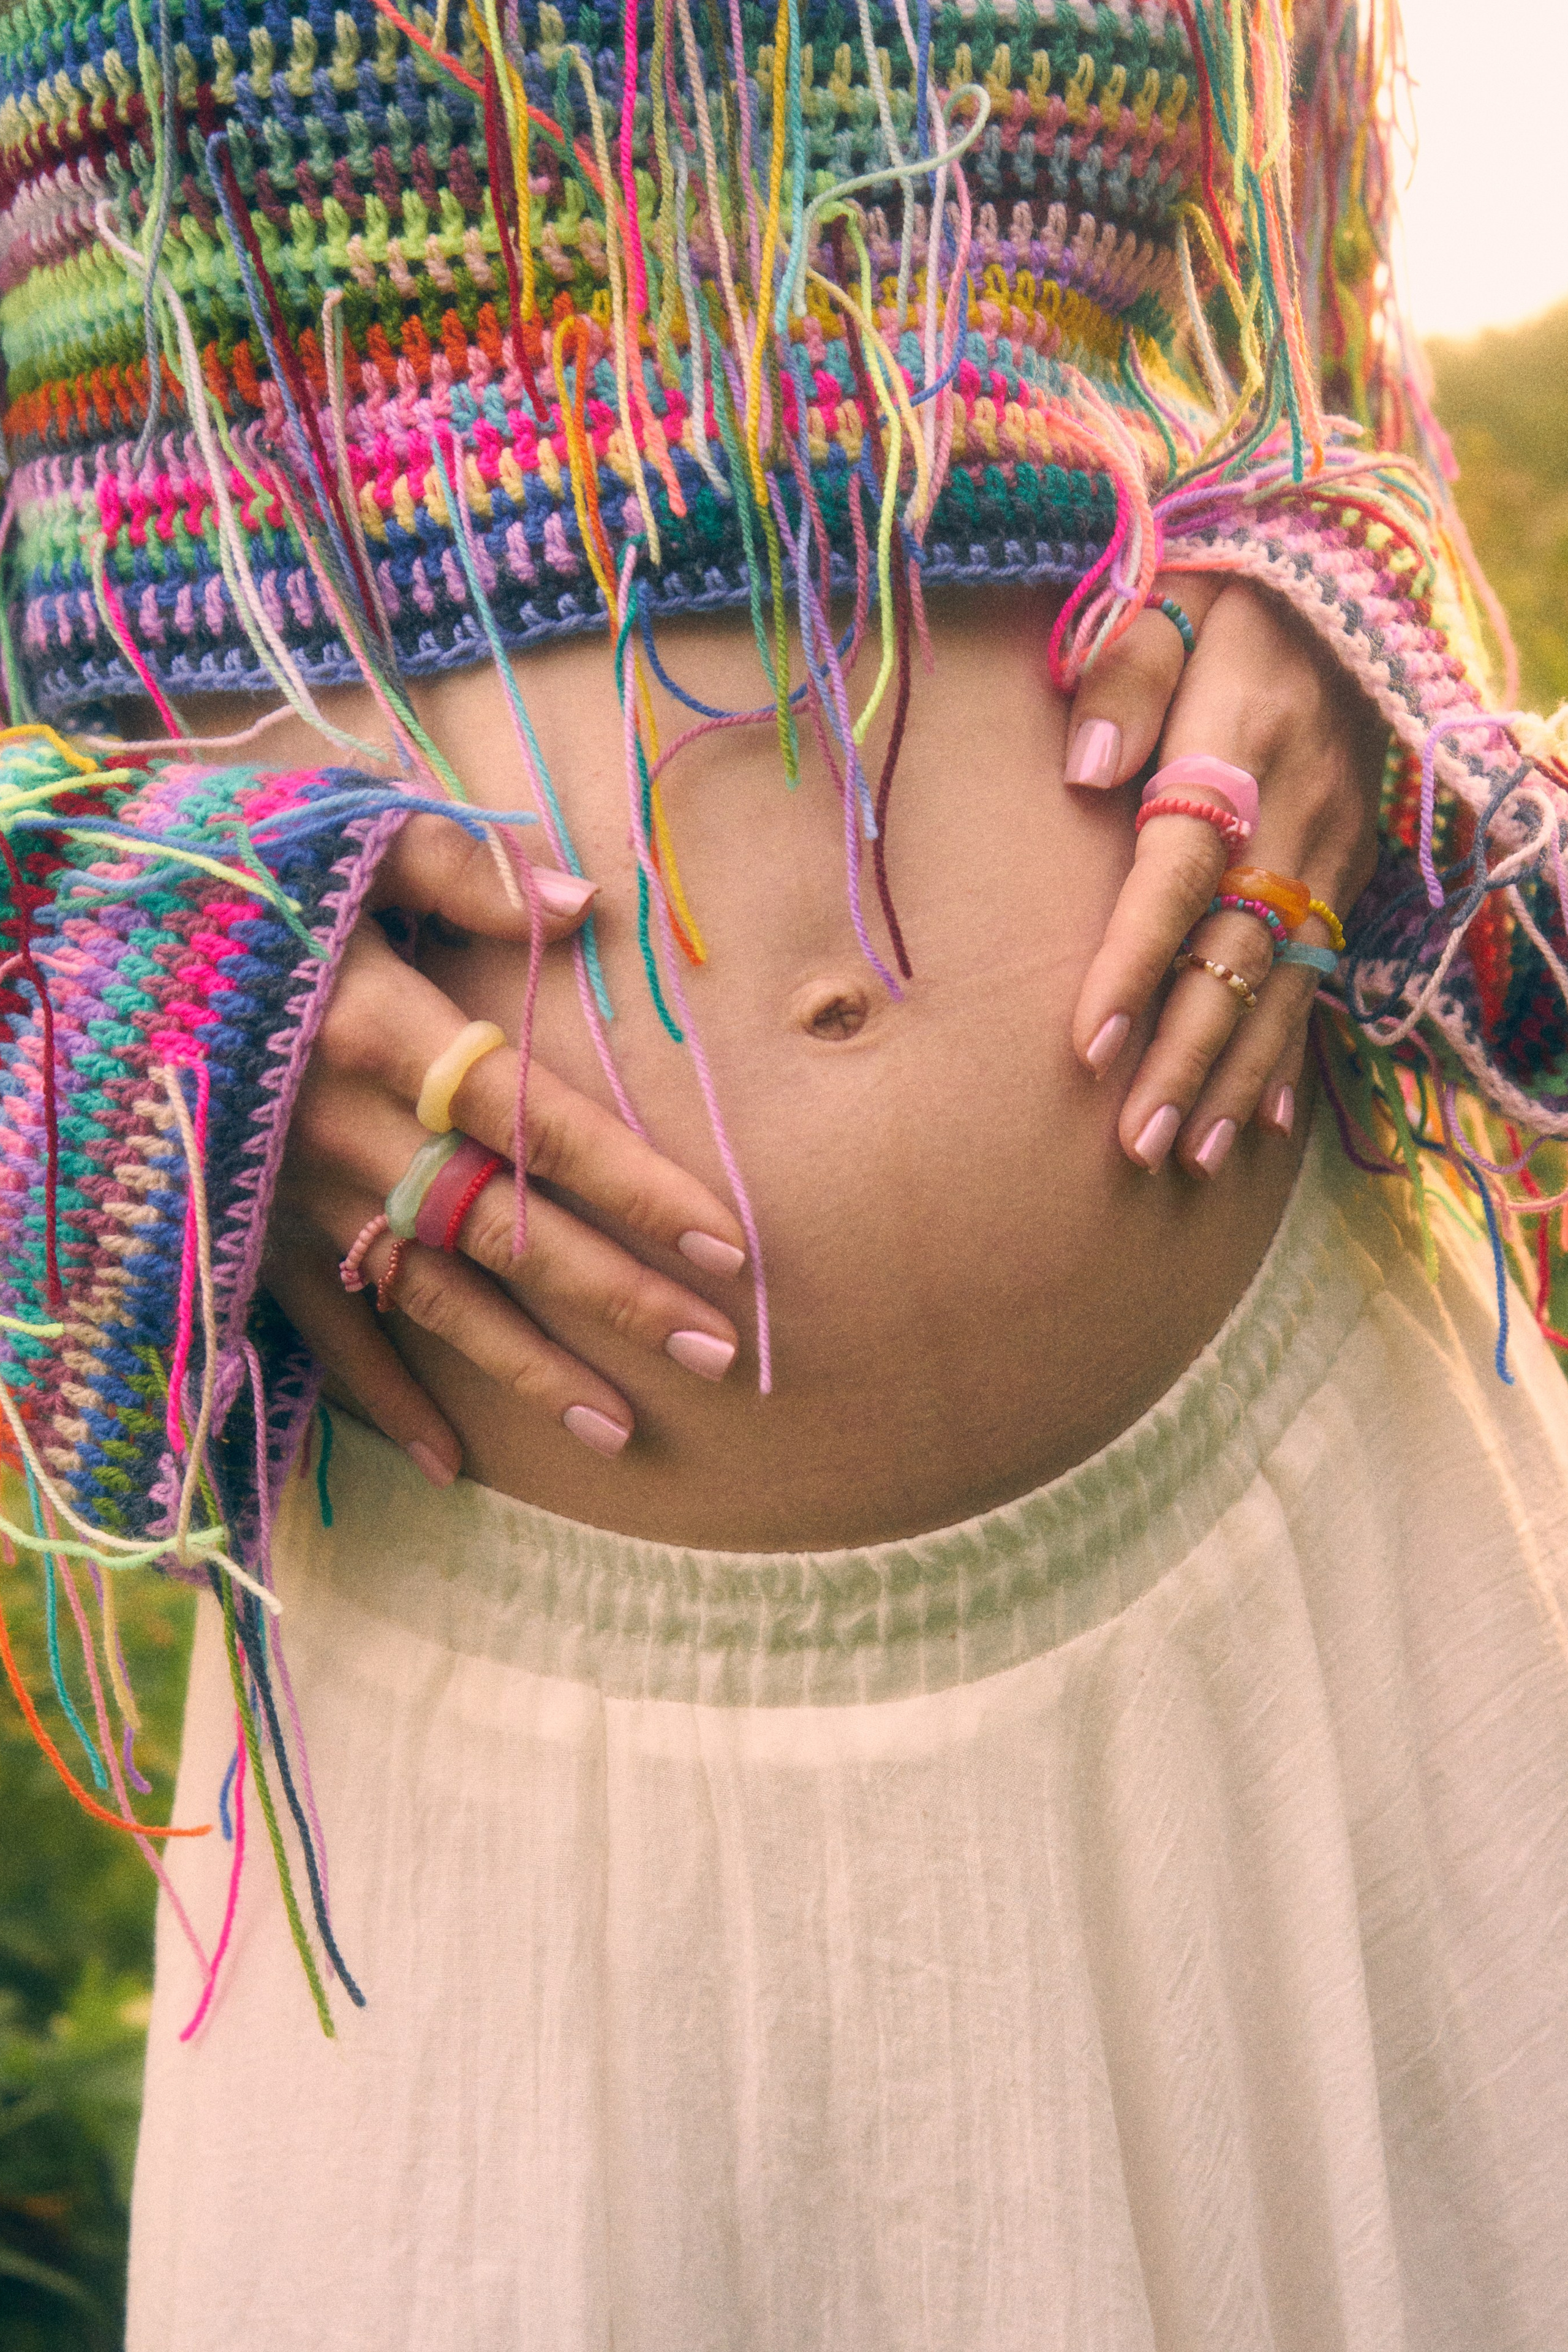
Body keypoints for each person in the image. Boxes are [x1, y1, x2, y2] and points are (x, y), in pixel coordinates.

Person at [1, 0, 1567, 2342]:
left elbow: (1301, 373)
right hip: (504, 1768)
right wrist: (74, 934)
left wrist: (1335, 623)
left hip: (1322, 1575)